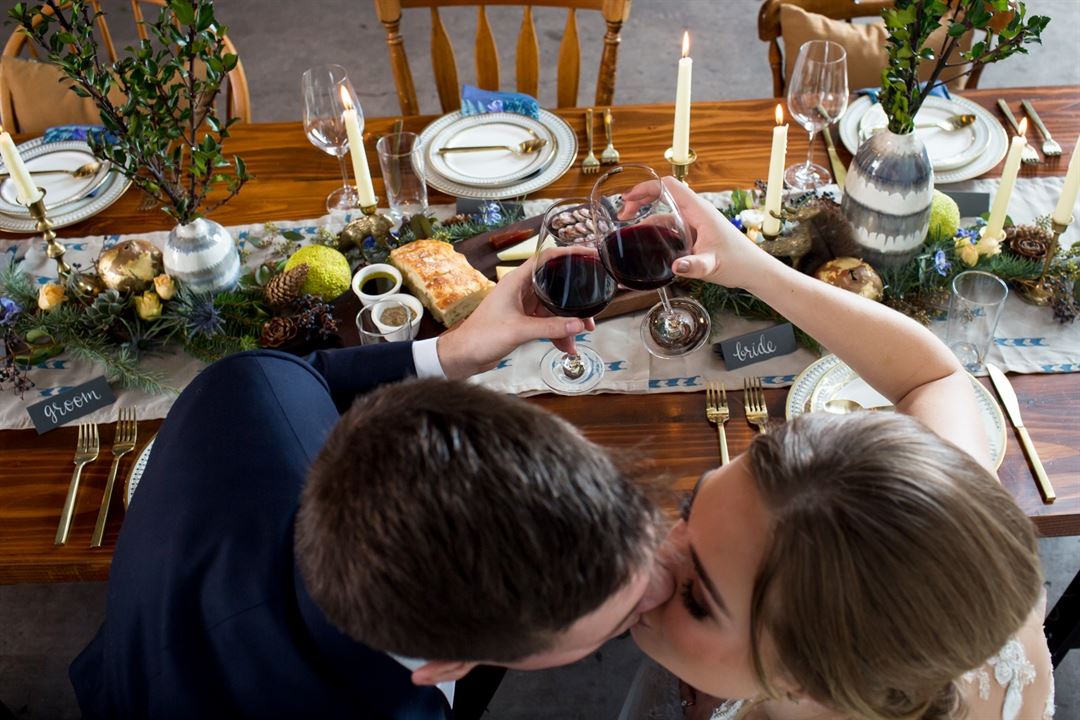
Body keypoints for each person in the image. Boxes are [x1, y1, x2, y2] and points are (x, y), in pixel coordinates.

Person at [70, 260, 674, 720]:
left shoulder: (251, 388)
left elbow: (304, 379)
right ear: (447, 666)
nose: (664, 583)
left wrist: (452, 350)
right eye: (620, 621)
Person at [627, 179, 1054, 720]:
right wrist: (751, 267)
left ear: (811, 684)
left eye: (695, 597)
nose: (652, 561)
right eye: (690, 509)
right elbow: (932, 378)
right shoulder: (954, 540)